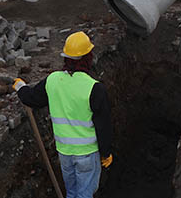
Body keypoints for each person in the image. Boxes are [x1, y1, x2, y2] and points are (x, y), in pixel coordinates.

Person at [13, 31, 114, 198]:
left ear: (66, 58)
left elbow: (31, 98)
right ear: (88, 58)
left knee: (72, 192)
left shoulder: (53, 80)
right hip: (86, 154)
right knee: (84, 194)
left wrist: (20, 87)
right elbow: (103, 126)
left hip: (65, 153)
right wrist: (106, 152)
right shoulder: (94, 88)